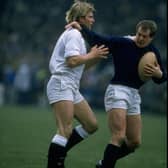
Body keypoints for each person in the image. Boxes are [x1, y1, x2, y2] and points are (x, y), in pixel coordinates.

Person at [65, 20, 167, 168]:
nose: (140, 38)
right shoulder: (123, 43)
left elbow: (161, 79)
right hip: (117, 90)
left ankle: (104, 163)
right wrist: (82, 28)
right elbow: (98, 39)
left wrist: (159, 74)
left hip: (134, 94)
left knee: (134, 142)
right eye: (139, 34)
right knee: (118, 136)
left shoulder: (153, 52)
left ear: (151, 37)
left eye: (145, 36)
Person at [46, 1, 109, 168]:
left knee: (91, 125)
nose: (93, 20)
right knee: (65, 130)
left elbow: (80, 65)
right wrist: (91, 55)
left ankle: (60, 151)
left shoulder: (78, 35)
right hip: (61, 82)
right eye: (90, 16)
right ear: (81, 19)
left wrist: (94, 57)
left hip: (70, 85)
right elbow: (72, 60)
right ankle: (55, 163)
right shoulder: (74, 34)